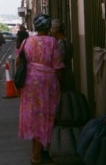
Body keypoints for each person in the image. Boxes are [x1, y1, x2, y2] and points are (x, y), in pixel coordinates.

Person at [17, 14, 64, 164]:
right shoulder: (52, 42)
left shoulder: (27, 41)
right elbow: (57, 65)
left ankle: (36, 152)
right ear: (48, 27)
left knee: (33, 117)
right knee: (46, 116)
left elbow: (19, 62)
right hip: (47, 84)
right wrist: (61, 83)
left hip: (29, 84)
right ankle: (37, 155)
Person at [50, 19, 74, 91]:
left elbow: (59, 61)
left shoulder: (60, 43)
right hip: (68, 73)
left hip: (63, 75)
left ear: (55, 31)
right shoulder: (68, 41)